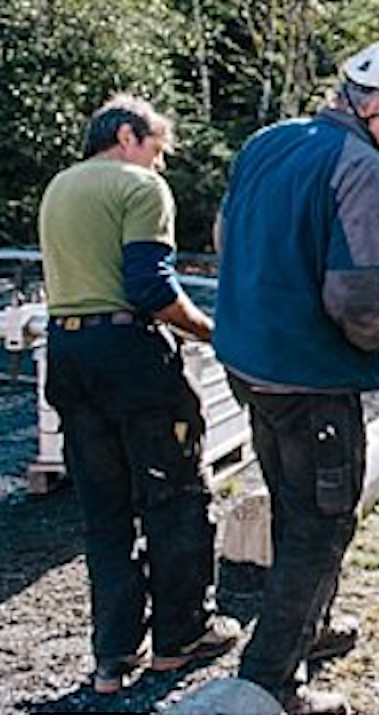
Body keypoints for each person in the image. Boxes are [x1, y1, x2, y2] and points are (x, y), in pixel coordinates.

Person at [212, 40, 379, 715]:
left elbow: (224, 234)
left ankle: (309, 626)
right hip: (310, 380)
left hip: (251, 366)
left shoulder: (269, 140)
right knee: (321, 527)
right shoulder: (365, 168)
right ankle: (274, 679)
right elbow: (358, 304)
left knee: (293, 503)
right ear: (377, 106)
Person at [38, 94, 241, 696]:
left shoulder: (58, 188)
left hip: (68, 355)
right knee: (175, 495)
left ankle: (113, 656)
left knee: (105, 512)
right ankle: (182, 637)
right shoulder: (139, 187)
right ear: (127, 136)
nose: (159, 164)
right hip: (130, 356)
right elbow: (150, 287)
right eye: (156, 149)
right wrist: (212, 331)